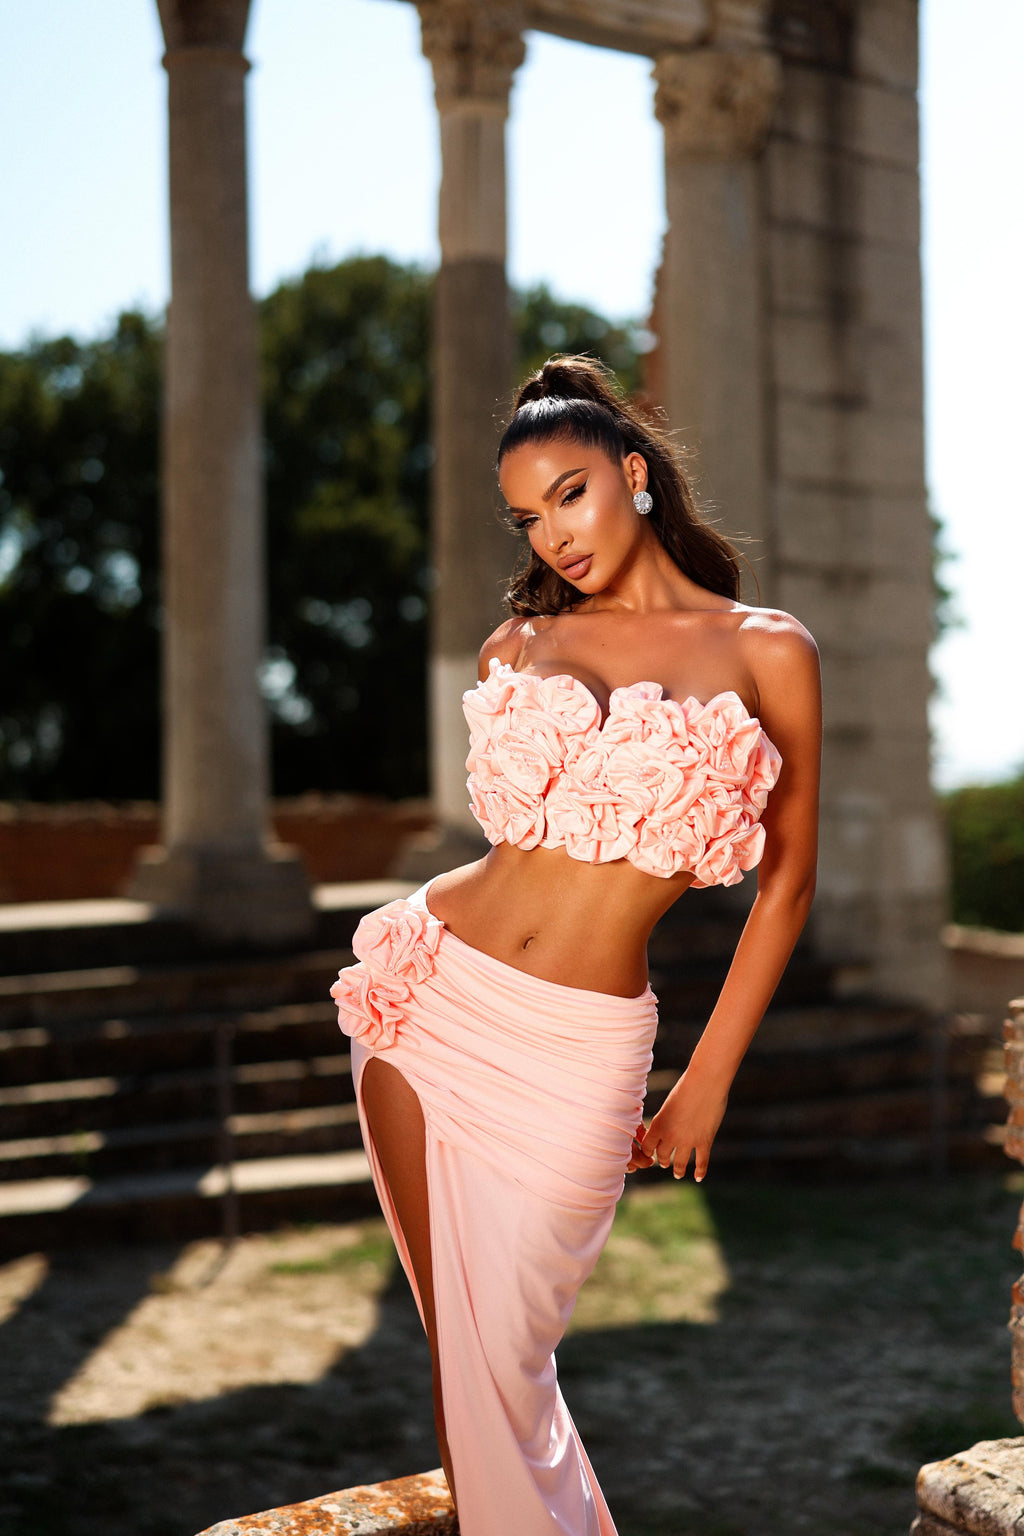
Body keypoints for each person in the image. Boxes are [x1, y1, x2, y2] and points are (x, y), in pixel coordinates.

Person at [330, 354, 821, 1535]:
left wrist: (704, 1079)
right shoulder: (518, 648)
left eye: (570, 494)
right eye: (526, 515)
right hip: (427, 993)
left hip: (578, 1047)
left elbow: (790, 881)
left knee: (510, 1355)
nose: (552, 534)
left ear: (634, 475)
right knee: (467, 1362)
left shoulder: (765, 649)